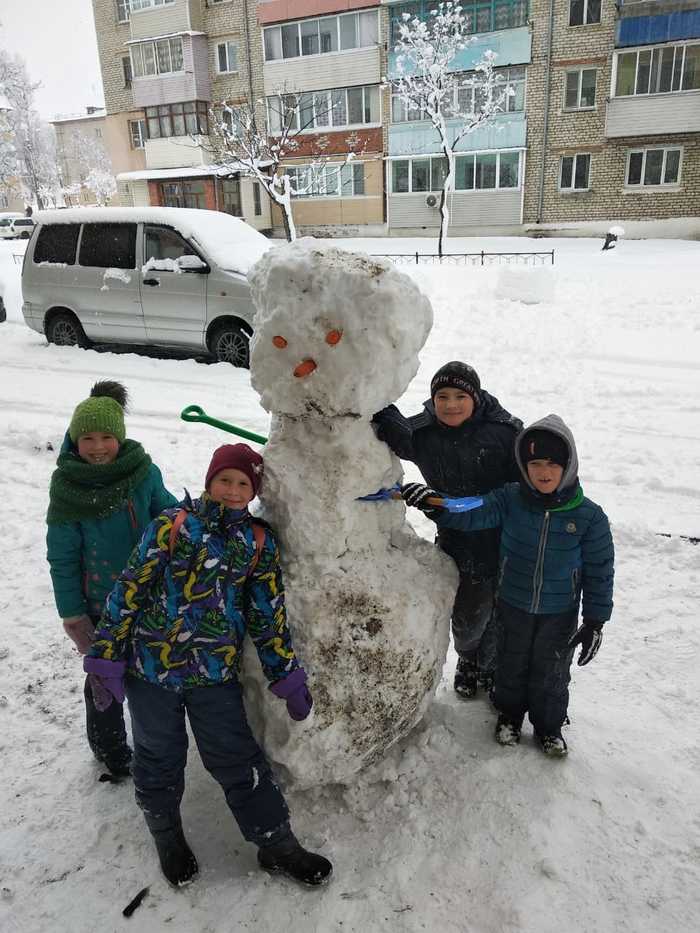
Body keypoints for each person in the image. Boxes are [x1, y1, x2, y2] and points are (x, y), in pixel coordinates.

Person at [83, 444, 333, 888]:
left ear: (252, 491)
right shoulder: (173, 525)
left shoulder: (256, 541)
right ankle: (167, 835)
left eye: (243, 484)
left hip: (213, 675)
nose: (233, 491)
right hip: (150, 673)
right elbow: (129, 590)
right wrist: (105, 660)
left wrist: (285, 675)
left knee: (238, 758)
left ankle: (277, 843)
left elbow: (266, 613)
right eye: (225, 480)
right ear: (209, 480)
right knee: (158, 757)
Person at [401, 414, 614, 757]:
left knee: (552, 672)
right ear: (523, 466)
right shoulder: (511, 500)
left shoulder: (589, 517)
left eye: (552, 464)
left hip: (559, 612)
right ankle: (510, 716)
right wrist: (434, 502)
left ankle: (548, 727)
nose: (543, 472)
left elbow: (600, 572)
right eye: (534, 463)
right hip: (512, 603)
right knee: (510, 664)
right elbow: (472, 509)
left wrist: (594, 621)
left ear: (569, 465)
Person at [46, 381, 177, 776]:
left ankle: (157, 737)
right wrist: (72, 614)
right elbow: (62, 557)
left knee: (149, 672)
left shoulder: (143, 473)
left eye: (106, 436)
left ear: (120, 437)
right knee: (104, 678)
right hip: (100, 605)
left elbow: (168, 515)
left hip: (150, 596)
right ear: (74, 440)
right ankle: (109, 746)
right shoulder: (67, 488)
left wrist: (199, 517)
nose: (97, 446)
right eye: (87, 438)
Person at [373, 362, 521, 698]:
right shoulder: (423, 434)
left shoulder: (504, 433)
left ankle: (491, 665)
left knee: (501, 610)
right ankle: (468, 658)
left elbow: (524, 484)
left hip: (505, 539)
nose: (451, 404)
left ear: (476, 397)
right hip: (459, 542)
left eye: (460, 396)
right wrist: (373, 403)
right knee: (468, 615)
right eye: (442, 396)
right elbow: (393, 428)